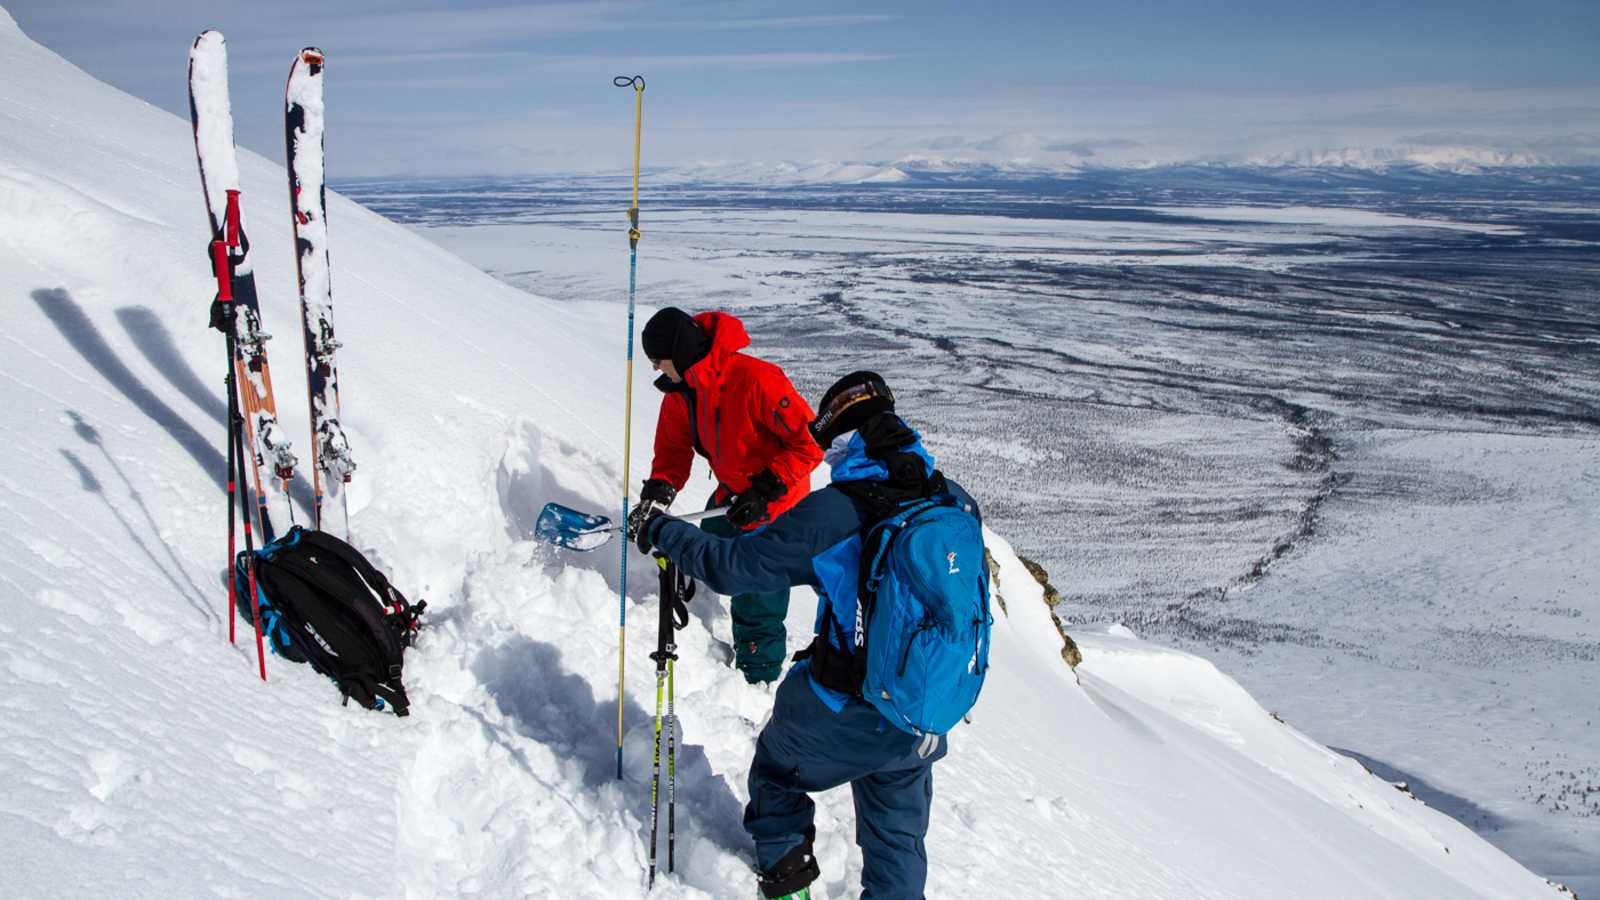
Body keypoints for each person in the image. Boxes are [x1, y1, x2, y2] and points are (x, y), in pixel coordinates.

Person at [636, 372, 982, 900]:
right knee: (898, 841)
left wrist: (660, 529)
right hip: (921, 712)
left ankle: (789, 887)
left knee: (776, 774)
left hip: (843, 710)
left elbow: (733, 568)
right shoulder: (953, 501)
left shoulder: (838, 512)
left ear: (841, 440)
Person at [625, 307, 823, 684]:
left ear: (678, 352)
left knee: (756, 588)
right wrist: (656, 496)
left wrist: (765, 488)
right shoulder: (681, 394)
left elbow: (810, 443)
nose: (656, 369)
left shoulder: (757, 379)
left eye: (658, 361)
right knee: (701, 547)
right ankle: (700, 615)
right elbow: (672, 452)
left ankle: (758, 677)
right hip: (733, 493)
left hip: (776, 501)